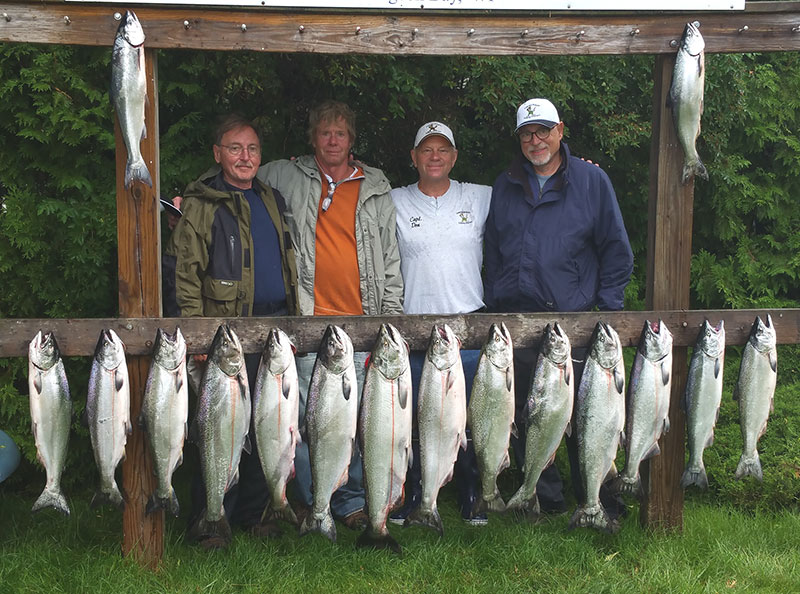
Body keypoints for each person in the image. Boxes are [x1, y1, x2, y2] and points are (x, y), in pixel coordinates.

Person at [256, 100, 403, 530]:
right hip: (306, 319)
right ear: (312, 138)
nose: (332, 140)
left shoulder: (375, 183)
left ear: (351, 140)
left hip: (361, 321)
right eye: (324, 132)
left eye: (340, 133)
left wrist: (387, 320)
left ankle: (353, 500)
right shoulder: (285, 173)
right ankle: (309, 498)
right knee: (306, 419)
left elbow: (390, 257)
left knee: (359, 418)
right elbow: (237, 175)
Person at [483, 98, 634, 515]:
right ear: (519, 139)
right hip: (519, 321)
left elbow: (616, 251)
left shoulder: (591, 180)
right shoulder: (505, 183)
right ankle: (544, 500)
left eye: (544, 130)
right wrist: (496, 298)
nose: (537, 141)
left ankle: (602, 499)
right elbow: (493, 246)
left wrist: (605, 312)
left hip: (576, 322)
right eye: (528, 133)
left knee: (588, 420)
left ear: (561, 130)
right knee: (532, 418)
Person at [163, 114, 299, 549]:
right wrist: (199, 337)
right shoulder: (203, 203)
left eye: (253, 149)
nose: (245, 157)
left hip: (275, 330)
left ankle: (255, 515)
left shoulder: (272, 198)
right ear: (218, 153)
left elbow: (289, 263)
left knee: (267, 428)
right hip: (225, 338)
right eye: (236, 148)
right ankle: (209, 519)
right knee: (219, 430)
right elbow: (185, 274)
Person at [388, 121, 491, 525]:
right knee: (415, 418)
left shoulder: (481, 197)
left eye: (442, 149)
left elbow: (536, 194)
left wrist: (578, 168)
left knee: (464, 418)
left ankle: (470, 493)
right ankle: (414, 494)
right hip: (413, 329)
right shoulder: (392, 199)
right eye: (426, 149)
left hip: (467, 326)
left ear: (454, 157)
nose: (434, 156)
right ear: (413, 157)